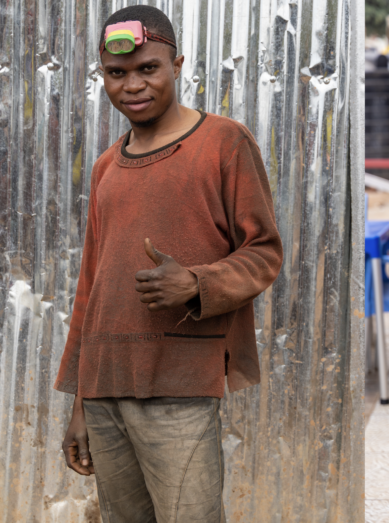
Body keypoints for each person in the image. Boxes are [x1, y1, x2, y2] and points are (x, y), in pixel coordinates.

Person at [54, 6, 283, 522]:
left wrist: (196, 283)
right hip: (105, 391)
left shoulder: (224, 142)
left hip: (180, 387)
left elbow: (265, 251)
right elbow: (90, 287)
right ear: (103, 77)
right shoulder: (106, 167)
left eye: (148, 69)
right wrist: (79, 404)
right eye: (117, 73)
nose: (132, 85)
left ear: (177, 66)